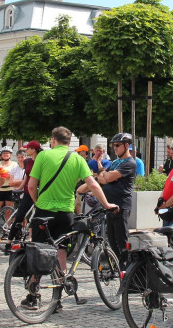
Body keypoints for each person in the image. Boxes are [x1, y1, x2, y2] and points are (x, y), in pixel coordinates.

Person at [23, 127, 118, 310]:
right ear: (68, 142)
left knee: (39, 251)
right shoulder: (77, 159)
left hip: (44, 211)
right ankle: (58, 297)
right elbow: (92, 184)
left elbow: (32, 186)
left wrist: (37, 203)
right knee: (61, 252)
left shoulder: (43, 157)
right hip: (66, 213)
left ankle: (34, 295)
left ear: (53, 140)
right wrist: (106, 205)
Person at [91, 132, 136, 263]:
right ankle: (118, 266)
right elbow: (101, 179)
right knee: (111, 239)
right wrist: (104, 175)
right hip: (110, 205)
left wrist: (104, 175)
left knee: (121, 239)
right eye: (113, 145)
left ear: (126, 145)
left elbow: (108, 177)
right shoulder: (116, 161)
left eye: (118, 145)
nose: (115, 148)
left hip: (121, 205)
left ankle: (127, 267)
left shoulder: (130, 163)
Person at [9, 140, 43, 241]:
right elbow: (26, 177)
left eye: (27, 148)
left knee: (37, 216)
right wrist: (20, 188)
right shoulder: (27, 161)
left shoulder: (41, 161)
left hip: (38, 191)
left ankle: (33, 238)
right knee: (20, 215)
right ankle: (9, 240)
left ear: (33, 150)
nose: (25, 150)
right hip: (28, 191)